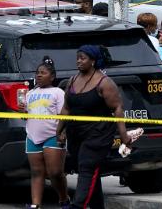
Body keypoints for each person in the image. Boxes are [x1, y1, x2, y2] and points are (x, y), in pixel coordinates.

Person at [56, 45, 132, 209]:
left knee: (87, 167)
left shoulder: (104, 82)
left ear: (92, 61)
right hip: (76, 133)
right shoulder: (72, 80)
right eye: (77, 58)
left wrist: (124, 135)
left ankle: (77, 205)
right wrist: (59, 129)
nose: (78, 61)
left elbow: (117, 108)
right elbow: (66, 108)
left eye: (82, 58)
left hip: (98, 134)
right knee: (89, 173)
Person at [24, 58, 69, 209]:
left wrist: (62, 133)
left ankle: (64, 199)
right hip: (32, 137)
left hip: (52, 136)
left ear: (52, 76)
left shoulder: (58, 92)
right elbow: (27, 114)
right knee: (37, 172)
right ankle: (36, 205)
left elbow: (64, 115)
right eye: (37, 73)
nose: (39, 75)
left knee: (55, 172)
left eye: (43, 73)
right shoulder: (30, 93)